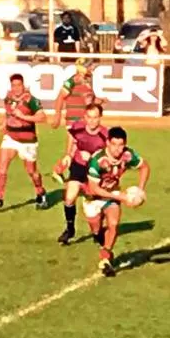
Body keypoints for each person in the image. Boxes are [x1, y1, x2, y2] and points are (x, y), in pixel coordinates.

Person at [84, 127, 150, 276]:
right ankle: (99, 235)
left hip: (112, 193)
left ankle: (106, 258)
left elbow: (145, 167)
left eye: (121, 145)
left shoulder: (127, 155)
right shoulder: (98, 161)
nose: (118, 149)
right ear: (107, 143)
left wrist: (140, 189)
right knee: (96, 229)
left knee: (113, 225)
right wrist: (121, 197)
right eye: (114, 144)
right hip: (92, 198)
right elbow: (94, 189)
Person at [0, 74, 48, 211]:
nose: (16, 88)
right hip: (10, 138)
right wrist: (5, 124)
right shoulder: (8, 99)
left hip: (27, 141)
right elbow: (9, 114)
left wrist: (23, 116)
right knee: (1, 169)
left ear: (23, 85)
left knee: (32, 172)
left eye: (19, 85)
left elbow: (42, 117)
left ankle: (41, 193)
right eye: (14, 85)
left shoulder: (31, 100)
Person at [57, 104, 109, 245]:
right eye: (89, 117)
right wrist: (68, 154)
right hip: (78, 167)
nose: (92, 121)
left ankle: (98, 232)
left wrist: (92, 158)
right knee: (69, 198)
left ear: (100, 118)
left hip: (95, 172)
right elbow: (72, 138)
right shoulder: (78, 127)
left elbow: (108, 157)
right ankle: (70, 229)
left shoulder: (105, 135)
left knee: (95, 206)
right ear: (85, 117)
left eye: (95, 117)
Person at [51, 62, 103, 183]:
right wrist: (57, 115)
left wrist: (100, 101)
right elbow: (60, 96)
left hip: (83, 121)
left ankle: (69, 173)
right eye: (89, 67)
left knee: (77, 149)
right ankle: (59, 170)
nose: (91, 69)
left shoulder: (87, 82)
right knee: (73, 149)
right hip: (74, 121)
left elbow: (90, 100)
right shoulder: (72, 80)